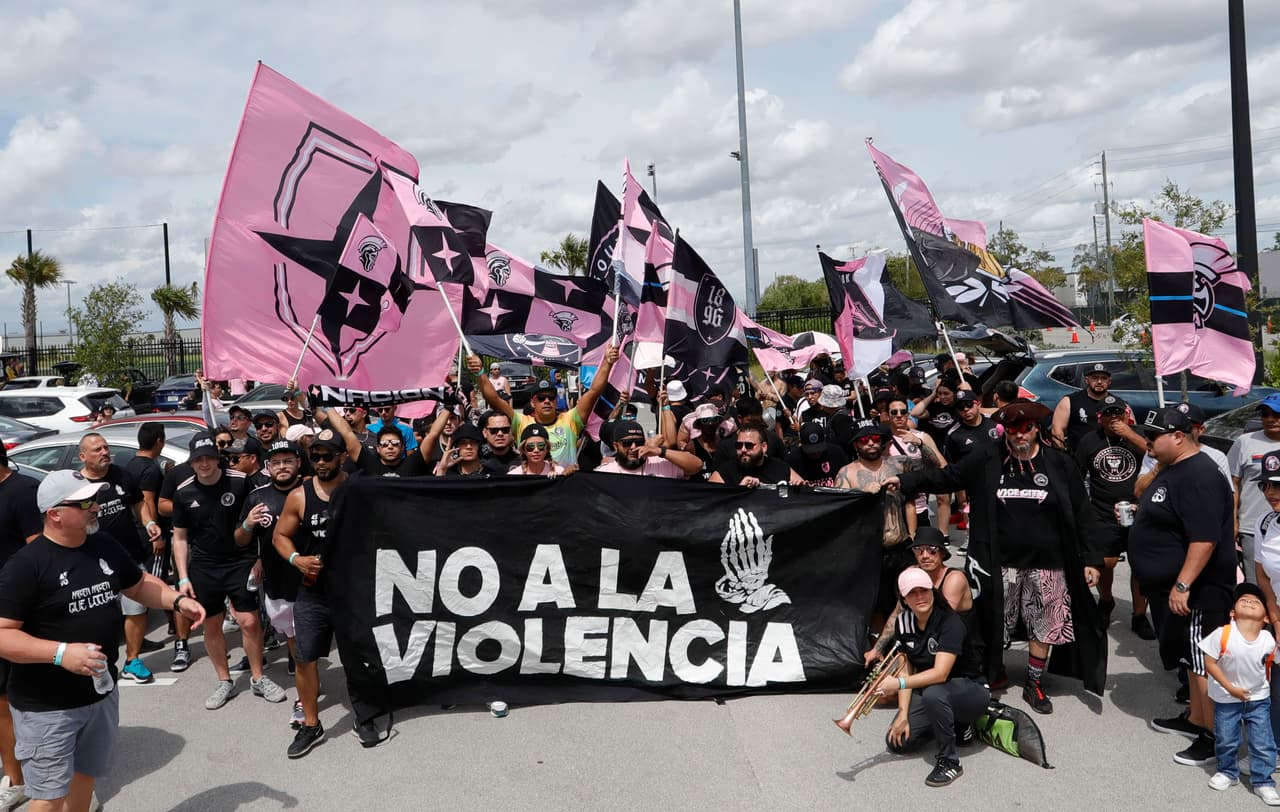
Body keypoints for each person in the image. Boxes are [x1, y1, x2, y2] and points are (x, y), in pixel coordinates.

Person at [0, 470, 205, 812]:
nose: (96, 507)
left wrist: (175, 600)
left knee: (85, 778)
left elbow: (138, 584)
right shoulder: (25, 567)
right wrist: (60, 653)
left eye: (95, 499)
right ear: (55, 513)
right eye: (85, 502)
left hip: (99, 694)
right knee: (49, 797)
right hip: (47, 706)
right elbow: (3, 634)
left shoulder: (102, 545)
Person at [887, 401, 1106, 715]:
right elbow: (947, 478)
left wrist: (1092, 559)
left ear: (1036, 429)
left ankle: (1034, 681)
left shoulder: (1059, 462)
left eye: (1026, 428)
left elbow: (1083, 513)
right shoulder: (988, 458)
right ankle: (992, 673)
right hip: (997, 563)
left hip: (1049, 563)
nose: (1019, 435)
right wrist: (905, 482)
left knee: (1042, 626)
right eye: (1013, 430)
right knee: (992, 624)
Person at [1129, 407, 1237, 767]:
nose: (1147, 443)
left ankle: (1215, 737)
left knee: (1204, 662)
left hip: (1200, 591)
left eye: (1153, 436)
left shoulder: (1200, 474)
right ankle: (1195, 719)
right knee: (1191, 660)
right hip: (1178, 589)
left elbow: (1205, 539)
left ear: (1178, 435)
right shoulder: (1176, 469)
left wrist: (1182, 583)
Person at [273, 429, 387, 757]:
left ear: (341, 457)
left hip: (352, 592)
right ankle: (311, 724)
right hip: (312, 592)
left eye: (328, 456)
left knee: (359, 656)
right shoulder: (300, 495)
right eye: (315, 457)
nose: (321, 462)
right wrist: (298, 559)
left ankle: (364, 715)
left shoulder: (357, 489)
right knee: (305, 659)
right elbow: (280, 536)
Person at [172, 432, 287, 710]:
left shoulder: (239, 481)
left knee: (249, 622)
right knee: (212, 624)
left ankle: (258, 677)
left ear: (217, 458)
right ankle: (224, 680)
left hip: (240, 561)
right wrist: (183, 577)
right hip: (204, 567)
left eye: (209, 457)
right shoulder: (183, 492)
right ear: (191, 462)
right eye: (198, 459)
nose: (205, 463)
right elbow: (180, 538)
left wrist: (259, 558)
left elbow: (259, 520)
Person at [873, 566, 989, 788]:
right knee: (898, 742)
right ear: (904, 599)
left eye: (923, 590)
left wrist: (897, 684)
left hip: (972, 690)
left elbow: (940, 673)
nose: (919, 597)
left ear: (932, 591)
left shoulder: (950, 622)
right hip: (937, 692)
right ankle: (953, 724)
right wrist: (902, 714)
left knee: (933, 694)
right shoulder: (903, 622)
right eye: (912, 593)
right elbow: (905, 668)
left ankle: (950, 761)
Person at [76, 434, 161, 687]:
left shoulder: (122, 475)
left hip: (128, 556)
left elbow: (139, 504)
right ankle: (93, 663)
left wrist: (150, 522)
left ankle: (132, 661)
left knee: (137, 608)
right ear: (83, 457)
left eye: (105, 447)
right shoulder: (76, 485)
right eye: (97, 449)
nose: (104, 452)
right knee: (96, 616)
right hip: (89, 561)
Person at [236, 440, 306, 730]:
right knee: (294, 639)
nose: (282, 467)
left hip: (315, 580)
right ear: (267, 467)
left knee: (315, 637)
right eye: (276, 462)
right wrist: (249, 524)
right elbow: (239, 539)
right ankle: (304, 696)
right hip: (278, 583)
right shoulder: (256, 497)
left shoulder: (311, 490)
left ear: (298, 463)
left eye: (287, 461)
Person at [1073, 395, 1155, 639]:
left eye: (1117, 413)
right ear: (1100, 418)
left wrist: (1129, 434)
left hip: (1138, 510)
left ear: (1125, 414)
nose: (1113, 418)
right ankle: (1106, 601)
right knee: (1105, 562)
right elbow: (1077, 474)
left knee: (1140, 566)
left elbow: (1156, 454)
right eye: (1108, 414)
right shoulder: (1091, 440)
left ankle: (1139, 616)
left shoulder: (1138, 436)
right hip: (1103, 511)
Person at [468, 346, 619, 468]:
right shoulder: (521, 422)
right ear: (533, 402)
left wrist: (607, 362)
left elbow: (593, 392)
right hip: (534, 488)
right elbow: (494, 398)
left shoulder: (570, 420)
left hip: (565, 486)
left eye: (551, 397)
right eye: (541, 398)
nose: (547, 401)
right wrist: (480, 372)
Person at [1197, 582, 1279, 804]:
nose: (1250, 601)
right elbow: (1210, 663)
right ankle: (1228, 771)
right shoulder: (1222, 634)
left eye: (1256, 601)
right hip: (1226, 698)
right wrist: (1230, 687)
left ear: (1265, 618)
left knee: (1262, 741)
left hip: (1258, 699)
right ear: (1232, 613)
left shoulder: (1268, 640)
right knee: (1226, 737)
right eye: (1243, 600)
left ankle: (1263, 781)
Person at [867, 528, 974, 666]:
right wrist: (877, 649)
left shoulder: (954, 579)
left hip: (956, 648)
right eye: (918, 550)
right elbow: (897, 613)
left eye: (932, 550)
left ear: (942, 553)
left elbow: (943, 622)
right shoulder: (912, 573)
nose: (925, 555)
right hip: (925, 643)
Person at [0, 445, 41, 809]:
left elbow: (40, 554)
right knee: (0, 701)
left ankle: (72, 786)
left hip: (25, 615)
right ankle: (17, 779)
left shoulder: (22, 491)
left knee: (41, 703)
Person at [1228, 394, 1280, 585]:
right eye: (1265, 414)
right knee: (1257, 585)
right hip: (1252, 527)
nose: (1270, 419)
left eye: (1276, 414)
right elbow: (1232, 484)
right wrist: (1232, 520)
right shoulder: (1244, 442)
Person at [319, 404, 447, 478]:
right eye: (385, 444)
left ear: (402, 447)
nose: (390, 447)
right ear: (378, 448)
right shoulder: (370, 464)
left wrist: (449, 408)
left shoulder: (411, 464)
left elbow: (433, 435)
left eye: (395, 443)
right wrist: (327, 406)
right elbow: (346, 433)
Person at [1250, 450, 1280, 747]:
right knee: (1276, 688)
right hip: (1279, 615)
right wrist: (1275, 618)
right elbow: (1263, 577)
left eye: (1279, 485)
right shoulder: (1264, 523)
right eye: (1266, 485)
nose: (1271, 493)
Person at [884, 398, 949, 532]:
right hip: (891, 508)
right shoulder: (881, 439)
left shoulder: (922, 437)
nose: (899, 415)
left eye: (903, 411)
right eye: (894, 412)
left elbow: (941, 465)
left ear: (908, 414)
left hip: (918, 505)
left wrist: (919, 444)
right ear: (887, 415)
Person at [595, 421, 700, 478]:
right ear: (616, 446)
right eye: (627, 443)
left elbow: (697, 465)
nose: (633, 447)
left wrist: (660, 451)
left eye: (639, 442)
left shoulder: (661, 463)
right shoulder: (605, 472)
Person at [708, 426, 800, 488]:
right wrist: (739, 490)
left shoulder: (781, 468)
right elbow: (709, 503)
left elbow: (805, 492)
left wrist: (800, 487)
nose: (743, 450)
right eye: (739, 446)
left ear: (764, 447)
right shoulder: (724, 473)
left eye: (749, 445)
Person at [1051, 362, 1112, 451]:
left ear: (1109, 381)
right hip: (1077, 457)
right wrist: (1064, 456)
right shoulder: (1069, 401)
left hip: (1107, 457)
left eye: (1103, 378)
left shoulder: (1118, 404)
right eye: (1094, 378)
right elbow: (1057, 431)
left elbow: (1130, 431)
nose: (1099, 381)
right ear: (1087, 380)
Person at [784, 422, 848, 488]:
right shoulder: (793, 459)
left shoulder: (836, 453)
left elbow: (847, 476)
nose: (815, 453)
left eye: (819, 449)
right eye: (811, 451)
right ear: (801, 444)